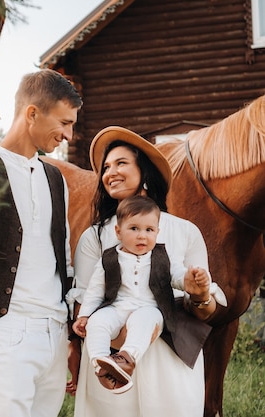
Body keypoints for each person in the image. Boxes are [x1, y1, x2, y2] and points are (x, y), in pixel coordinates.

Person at [68, 126, 227, 416]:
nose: (110, 172)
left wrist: (200, 294)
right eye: (105, 167)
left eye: (121, 163)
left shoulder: (186, 232)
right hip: (108, 361)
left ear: (145, 171)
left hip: (171, 361)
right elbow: (83, 301)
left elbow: (206, 312)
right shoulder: (94, 238)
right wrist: (99, 345)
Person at [0, 69, 82, 417]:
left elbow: (63, 258)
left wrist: (70, 337)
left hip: (55, 332)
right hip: (5, 330)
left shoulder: (55, 177)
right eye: (64, 123)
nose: (69, 135)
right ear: (32, 113)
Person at [72, 195, 210, 394]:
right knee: (98, 322)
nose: (142, 236)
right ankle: (101, 365)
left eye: (149, 230)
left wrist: (189, 279)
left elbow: (177, 274)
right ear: (118, 232)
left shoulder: (162, 257)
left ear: (157, 232)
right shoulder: (109, 259)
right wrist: (85, 315)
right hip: (116, 307)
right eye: (134, 229)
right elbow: (94, 290)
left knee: (144, 320)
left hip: (150, 308)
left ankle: (126, 359)